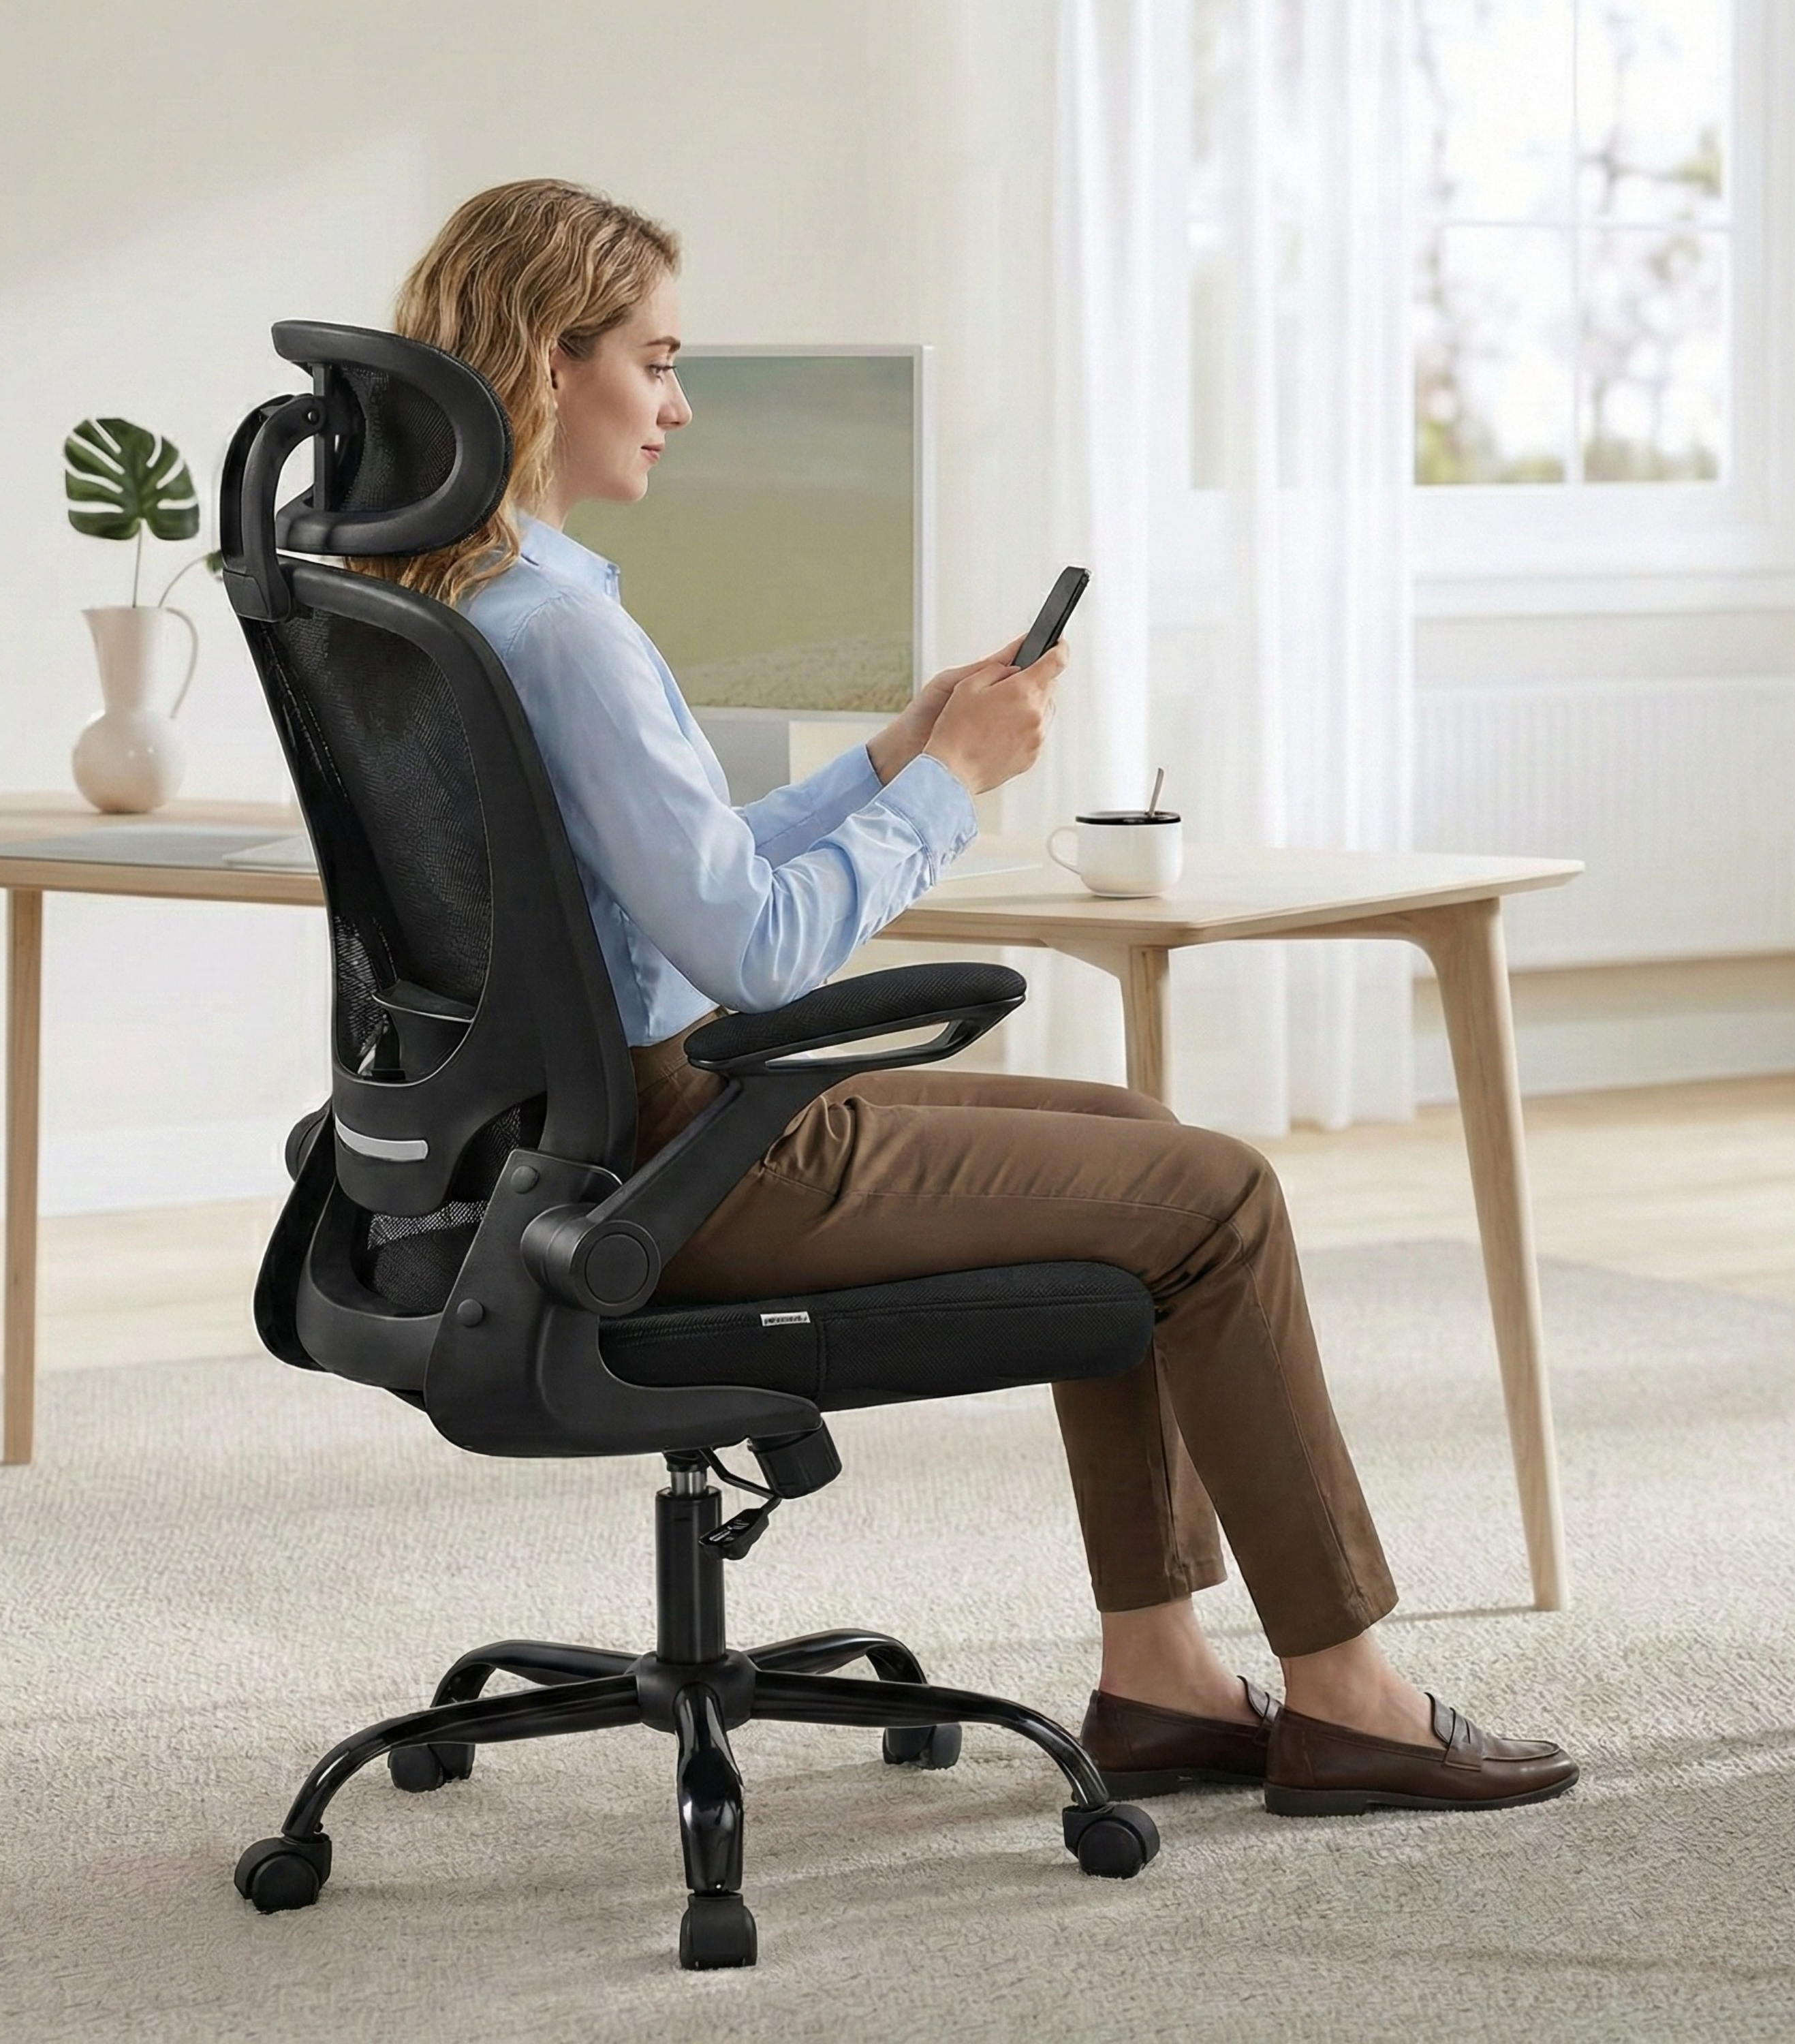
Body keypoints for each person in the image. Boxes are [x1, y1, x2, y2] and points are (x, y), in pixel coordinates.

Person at [362, 176, 1578, 1817]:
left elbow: (676, 870)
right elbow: (761, 952)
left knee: (1138, 1138)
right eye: (654, 360)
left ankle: (1161, 1673)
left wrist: (893, 754)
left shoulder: (449, 599)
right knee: (1213, 1193)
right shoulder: (570, 629)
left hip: (559, 1144)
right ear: (543, 360)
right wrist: (952, 796)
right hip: (680, 1157)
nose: (680, 402)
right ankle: (1353, 1697)